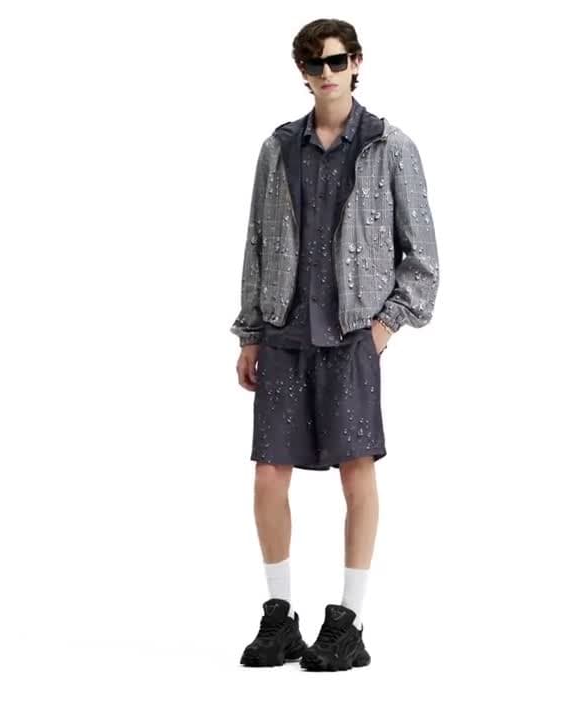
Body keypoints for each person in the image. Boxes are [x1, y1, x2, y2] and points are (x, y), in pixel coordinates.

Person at [231, 18, 439, 671]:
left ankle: (347, 621)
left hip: (352, 336)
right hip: (285, 332)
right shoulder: (278, 148)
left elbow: (422, 258)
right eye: (315, 64)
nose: (328, 73)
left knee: (357, 472)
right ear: (302, 72)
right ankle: (279, 615)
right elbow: (257, 242)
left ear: (356, 63)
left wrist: (385, 327)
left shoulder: (390, 147)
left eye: (337, 60)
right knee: (269, 474)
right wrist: (251, 332)